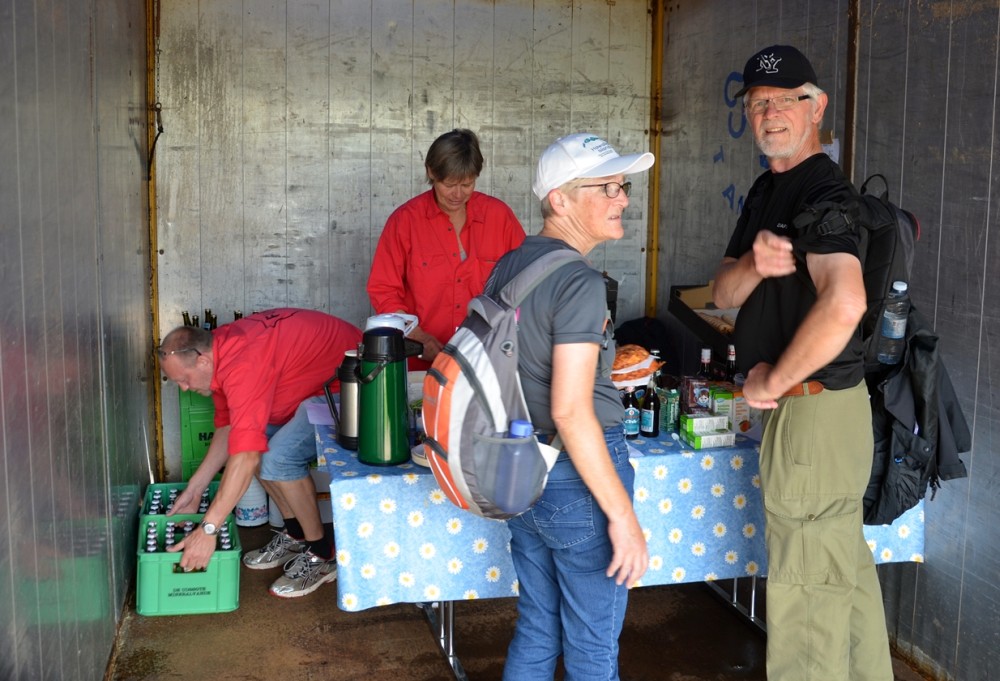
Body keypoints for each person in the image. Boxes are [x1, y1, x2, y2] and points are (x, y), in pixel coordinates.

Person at [712, 45, 893, 680]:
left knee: (808, 607)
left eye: (784, 100)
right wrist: (753, 264)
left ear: (816, 107)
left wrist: (774, 379)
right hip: (814, 417)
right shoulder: (768, 189)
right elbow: (723, 292)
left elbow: (845, 301)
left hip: (814, 411)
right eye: (757, 102)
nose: (768, 113)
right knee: (840, 576)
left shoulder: (824, 192)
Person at [489, 133, 651, 680]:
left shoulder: (507, 267)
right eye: (606, 187)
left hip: (520, 466)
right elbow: (571, 410)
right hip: (577, 476)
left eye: (623, 187)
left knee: (538, 624)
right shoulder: (579, 281)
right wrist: (623, 518)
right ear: (559, 199)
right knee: (593, 645)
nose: (621, 198)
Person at [158, 308, 363, 598]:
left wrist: (208, 529)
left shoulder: (242, 363)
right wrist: (195, 490)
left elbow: (246, 455)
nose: (183, 388)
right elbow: (229, 428)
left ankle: (322, 553)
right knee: (253, 445)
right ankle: (296, 535)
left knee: (277, 459)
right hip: (311, 386)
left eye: (184, 379)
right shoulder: (219, 353)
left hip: (353, 384)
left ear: (202, 360)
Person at [366, 128, 525, 369]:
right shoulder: (405, 221)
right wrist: (416, 335)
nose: (457, 194)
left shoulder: (499, 216)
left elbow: (526, 280)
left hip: (489, 360)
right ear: (431, 172)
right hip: (422, 362)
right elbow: (384, 289)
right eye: (449, 184)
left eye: (467, 184)